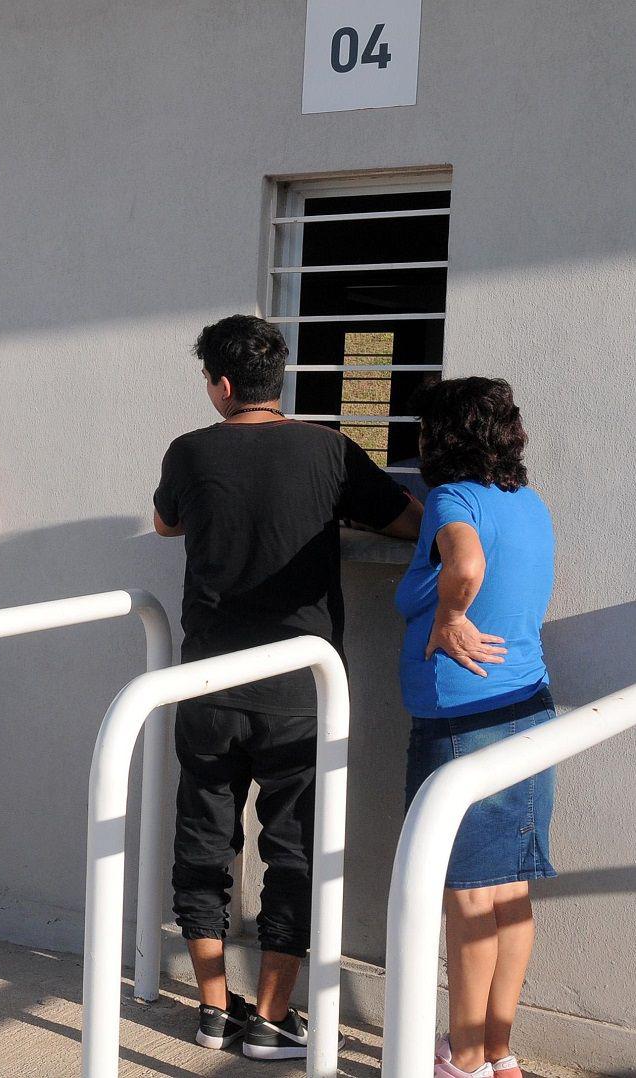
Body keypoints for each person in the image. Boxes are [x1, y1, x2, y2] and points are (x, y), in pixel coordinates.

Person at [152, 314, 422, 1058]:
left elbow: (164, 521)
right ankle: (272, 1015)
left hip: (208, 681)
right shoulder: (330, 449)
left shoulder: (190, 451)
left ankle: (212, 1010)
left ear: (224, 384)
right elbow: (408, 520)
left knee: (203, 842)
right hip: (300, 687)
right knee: (295, 850)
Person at [396, 378, 554, 1078]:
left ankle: (461, 1059)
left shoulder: (451, 499)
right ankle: (497, 1051)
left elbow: (464, 562)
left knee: (468, 895)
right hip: (528, 711)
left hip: (463, 721)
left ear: (445, 437)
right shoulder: (530, 503)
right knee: (511, 889)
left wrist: (452, 615)